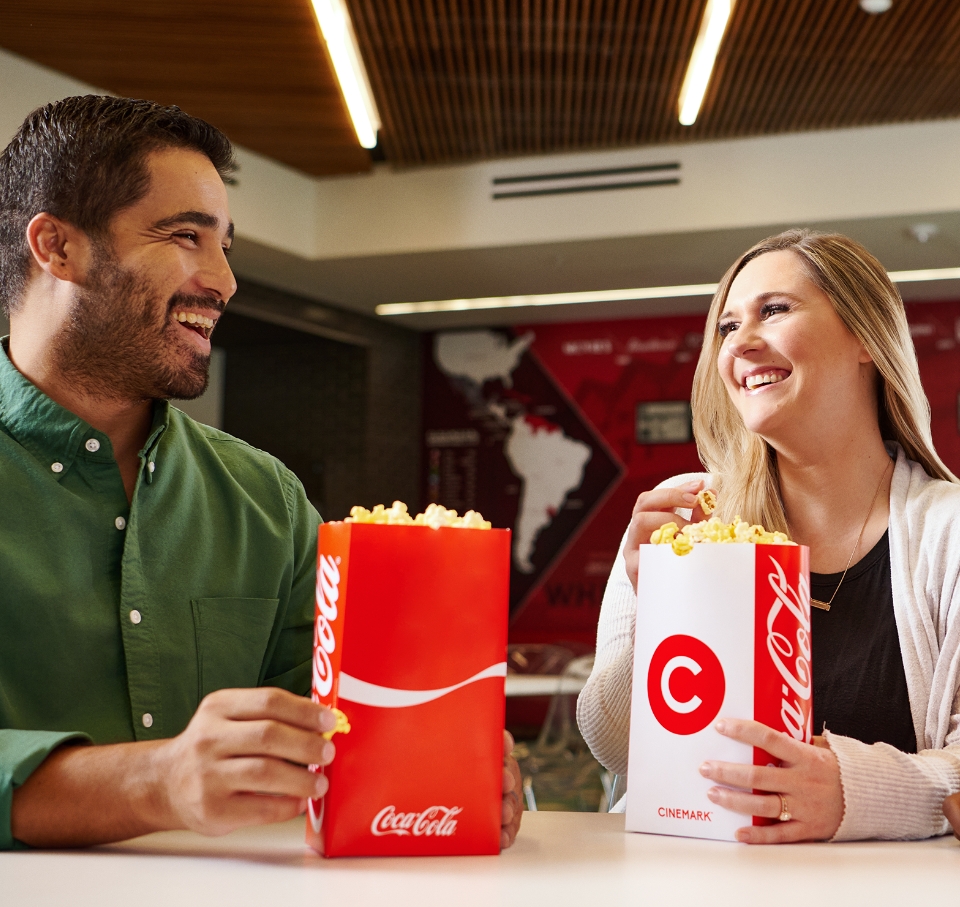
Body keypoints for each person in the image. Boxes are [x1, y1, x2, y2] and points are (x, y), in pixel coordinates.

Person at [0, 95, 523, 851]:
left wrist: (438, 763)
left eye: (226, 247)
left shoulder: (266, 499)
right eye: (186, 236)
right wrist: (158, 781)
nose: (224, 281)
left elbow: (334, 730)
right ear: (56, 246)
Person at [578, 229, 960, 842]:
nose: (741, 344)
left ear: (866, 336)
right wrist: (657, 606)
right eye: (727, 327)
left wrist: (855, 792)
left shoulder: (950, 533)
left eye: (774, 310)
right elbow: (614, 746)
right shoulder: (687, 517)